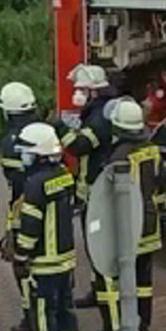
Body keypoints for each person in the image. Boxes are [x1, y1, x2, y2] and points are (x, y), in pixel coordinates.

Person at [93, 97, 166, 331]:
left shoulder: (119, 157)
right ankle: (142, 322)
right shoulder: (152, 149)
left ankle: (115, 326)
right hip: (150, 225)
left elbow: (109, 197)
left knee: (112, 278)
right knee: (143, 278)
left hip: (127, 227)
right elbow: (161, 184)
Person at [13, 123, 80, 331]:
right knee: (66, 311)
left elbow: (30, 227)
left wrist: (21, 255)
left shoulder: (34, 184)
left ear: (38, 154)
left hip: (44, 263)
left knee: (43, 314)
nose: (23, 156)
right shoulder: (64, 175)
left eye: (26, 152)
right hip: (65, 258)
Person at [52, 64, 118, 311]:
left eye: (81, 90)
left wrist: (61, 127)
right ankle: (96, 290)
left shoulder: (100, 117)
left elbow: (80, 146)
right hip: (91, 192)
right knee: (93, 248)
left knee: (100, 248)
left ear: (93, 91)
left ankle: (108, 306)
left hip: (98, 193)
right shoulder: (95, 111)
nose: (77, 94)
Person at [0, 82, 40, 331]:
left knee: (22, 263)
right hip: (52, 205)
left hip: (22, 208)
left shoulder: (10, 142)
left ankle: (30, 315)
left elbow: (13, 178)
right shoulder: (45, 130)